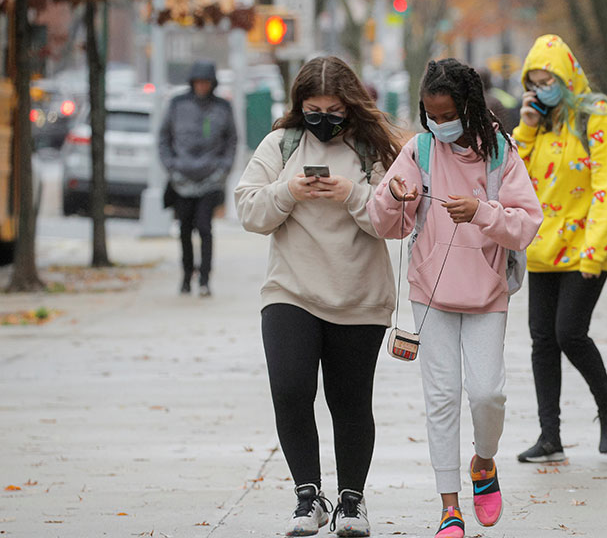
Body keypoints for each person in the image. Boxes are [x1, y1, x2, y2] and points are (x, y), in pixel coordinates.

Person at [367, 58, 542, 538]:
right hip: (430, 292)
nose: (439, 125)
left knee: (488, 393)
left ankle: (483, 463)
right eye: (431, 115)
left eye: (447, 114)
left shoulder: (500, 152)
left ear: (468, 106)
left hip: (486, 290)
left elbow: (527, 223)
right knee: (441, 398)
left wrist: (483, 212)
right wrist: (395, 198)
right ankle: (449, 507)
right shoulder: (419, 151)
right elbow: (382, 222)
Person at [234, 56, 400, 537]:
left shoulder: (373, 150)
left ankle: (351, 501)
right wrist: (289, 190)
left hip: (359, 295)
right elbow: (249, 209)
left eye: (334, 111)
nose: (324, 120)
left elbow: (395, 222)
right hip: (290, 291)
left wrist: (352, 192)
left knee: (349, 402)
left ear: (350, 107)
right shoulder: (280, 144)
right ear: (298, 107)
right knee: (289, 391)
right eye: (313, 110)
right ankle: (308, 496)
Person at [512, 34, 607, 463]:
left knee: (569, 333)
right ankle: (550, 437)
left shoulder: (596, 116)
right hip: (544, 249)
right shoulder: (537, 123)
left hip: (584, 248)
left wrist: (595, 253)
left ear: (567, 75)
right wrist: (525, 127)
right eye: (534, 82)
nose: (542, 88)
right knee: (542, 340)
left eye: (549, 80)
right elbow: (513, 179)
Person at [159, 60, 237, 297]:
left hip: (210, 178)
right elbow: (164, 137)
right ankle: (185, 276)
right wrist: (171, 167)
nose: (201, 86)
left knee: (205, 228)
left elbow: (231, 140)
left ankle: (204, 278)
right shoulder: (177, 104)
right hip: (181, 178)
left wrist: (223, 169)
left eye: (206, 82)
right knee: (184, 230)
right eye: (198, 82)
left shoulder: (223, 107)